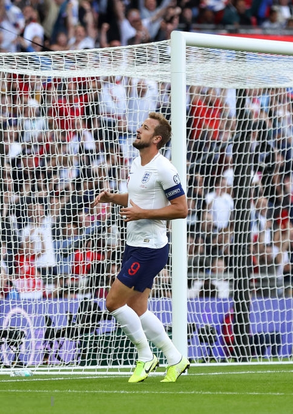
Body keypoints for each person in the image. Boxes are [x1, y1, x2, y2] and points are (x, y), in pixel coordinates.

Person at [92, 112, 190, 383]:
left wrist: (142, 214)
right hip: (134, 244)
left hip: (150, 248)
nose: (139, 130)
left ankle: (146, 357)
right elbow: (135, 198)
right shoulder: (137, 163)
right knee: (137, 307)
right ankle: (175, 358)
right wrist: (114, 198)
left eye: (145, 128)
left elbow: (182, 209)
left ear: (156, 139)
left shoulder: (164, 168)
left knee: (113, 302)